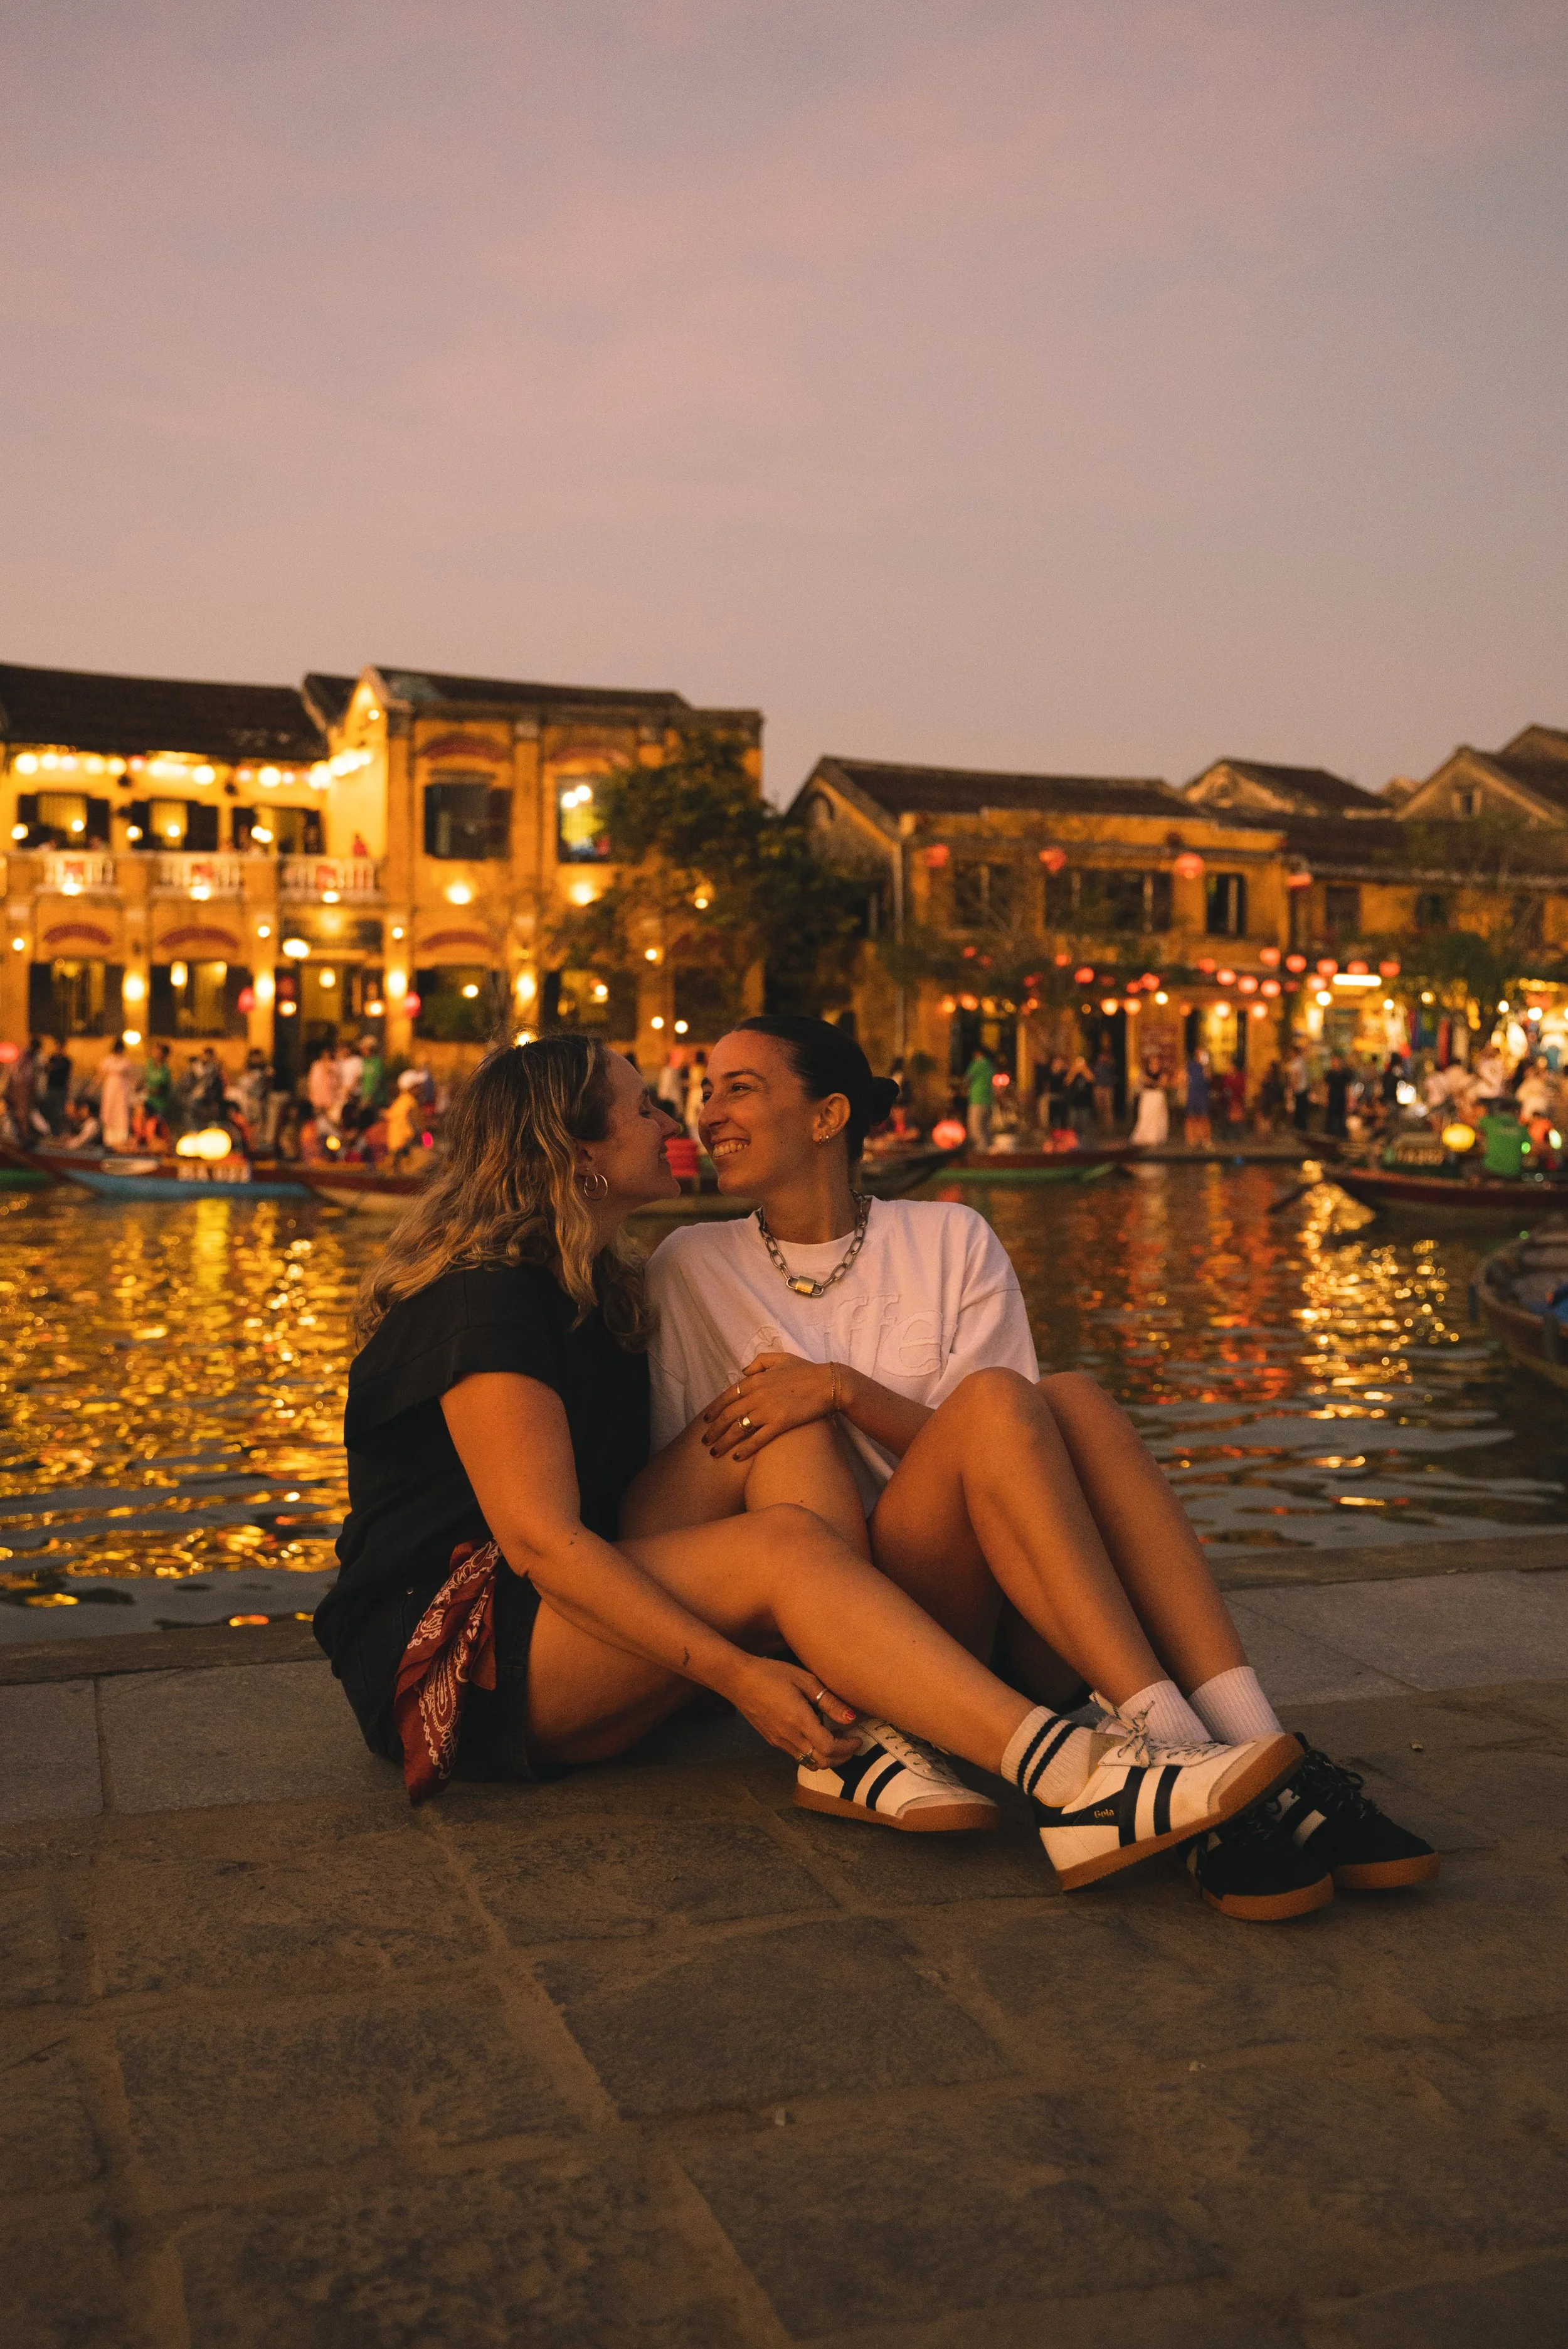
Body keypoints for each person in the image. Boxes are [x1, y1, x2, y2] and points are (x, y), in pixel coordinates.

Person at [312, 1037, 1322, 1908]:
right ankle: (1075, 1777)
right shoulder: (485, 1304)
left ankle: (883, 1740)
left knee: (772, 1402)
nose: (678, 1114)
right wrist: (743, 1676)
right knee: (785, 1540)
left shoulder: (600, 1288)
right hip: (459, 1642)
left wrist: (825, 1393)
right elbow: (539, 1540)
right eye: (646, 1104)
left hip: (569, 1599)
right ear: (577, 1152)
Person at [634, 1015, 1436, 1919]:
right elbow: (691, 1488)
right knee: (1002, 1401)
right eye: (707, 1090)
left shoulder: (949, 1236)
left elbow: (1010, 1445)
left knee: (1075, 1401)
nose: (707, 1113)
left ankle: (1252, 1747)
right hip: (860, 1633)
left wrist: (843, 1391)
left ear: (828, 1116)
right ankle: (1180, 1755)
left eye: (739, 1088)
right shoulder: (690, 1265)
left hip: (999, 1609)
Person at [97, 1036, 136, 1150]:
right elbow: (100, 1075)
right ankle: (109, 1140)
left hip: (122, 1089)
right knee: (109, 1111)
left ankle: (121, 1140)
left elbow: (131, 1076)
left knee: (121, 1111)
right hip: (111, 1088)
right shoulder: (108, 1060)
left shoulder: (126, 1061)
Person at [1127, 1061, 1168, 1149]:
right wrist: (1152, 1082)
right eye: (1152, 1063)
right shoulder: (1145, 1072)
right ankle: (1143, 1136)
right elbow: (1143, 1081)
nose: (1154, 1065)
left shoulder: (1162, 1073)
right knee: (1145, 1115)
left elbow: (1162, 1084)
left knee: (1156, 1117)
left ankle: (1154, 1136)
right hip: (1147, 1096)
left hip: (1157, 1095)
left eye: (1156, 1063)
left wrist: (1152, 1082)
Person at [963, 1047, 996, 1150]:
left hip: (977, 1099)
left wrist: (963, 1090)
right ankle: (987, 1150)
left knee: (976, 1127)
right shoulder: (990, 1065)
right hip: (989, 1100)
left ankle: (980, 1152)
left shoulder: (976, 1064)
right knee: (986, 1127)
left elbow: (967, 1079)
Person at [41, 1038, 72, 1135]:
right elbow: (46, 1070)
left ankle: (61, 1132)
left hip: (61, 1088)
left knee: (60, 1112)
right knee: (51, 1111)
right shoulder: (52, 1058)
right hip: (52, 1087)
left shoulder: (66, 1061)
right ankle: (53, 1132)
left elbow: (67, 1076)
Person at [1183, 1048, 1211, 1147]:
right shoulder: (1190, 1065)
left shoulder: (1206, 1066)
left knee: (1204, 1117)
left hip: (1203, 1094)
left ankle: (1205, 1139)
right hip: (1192, 1094)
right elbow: (1184, 1078)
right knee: (1191, 1117)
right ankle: (1192, 1139)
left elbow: (1208, 1078)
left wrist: (1206, 1066)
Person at [1323, 1051, 1352, 1140]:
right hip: (1332, 1099)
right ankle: (1330, 1136)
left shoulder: (1345, 1074)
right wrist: (1325, 1098)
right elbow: (1326, 1087)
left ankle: (1341, 1137)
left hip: (1341, 1100)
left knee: (1341, 1119)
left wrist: (1348, 1101)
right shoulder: (1330, 1074)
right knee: (1330, 1120)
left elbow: (1347, 1088)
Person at [1091, 1046, 1117, 1132]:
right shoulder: (1096, 1067)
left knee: (1108, 1108)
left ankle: (1109, 1127)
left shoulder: (1110, 1066)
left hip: (1107, 1088)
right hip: (1098, 1087)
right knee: (1099, 1107)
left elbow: (1114, 1068)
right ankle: (1100, 1125)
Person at [1286, 1044, 1310, 1134]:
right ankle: (1301, 1128)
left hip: (1299, 1090)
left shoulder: (1297, 1063)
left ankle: (1299, 1128)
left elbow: (1296, 1077)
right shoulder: (1301, 1062)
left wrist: (1293, 1089)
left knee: (1298, 1110)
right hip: (1303, 1089)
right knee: (1301, 1110)